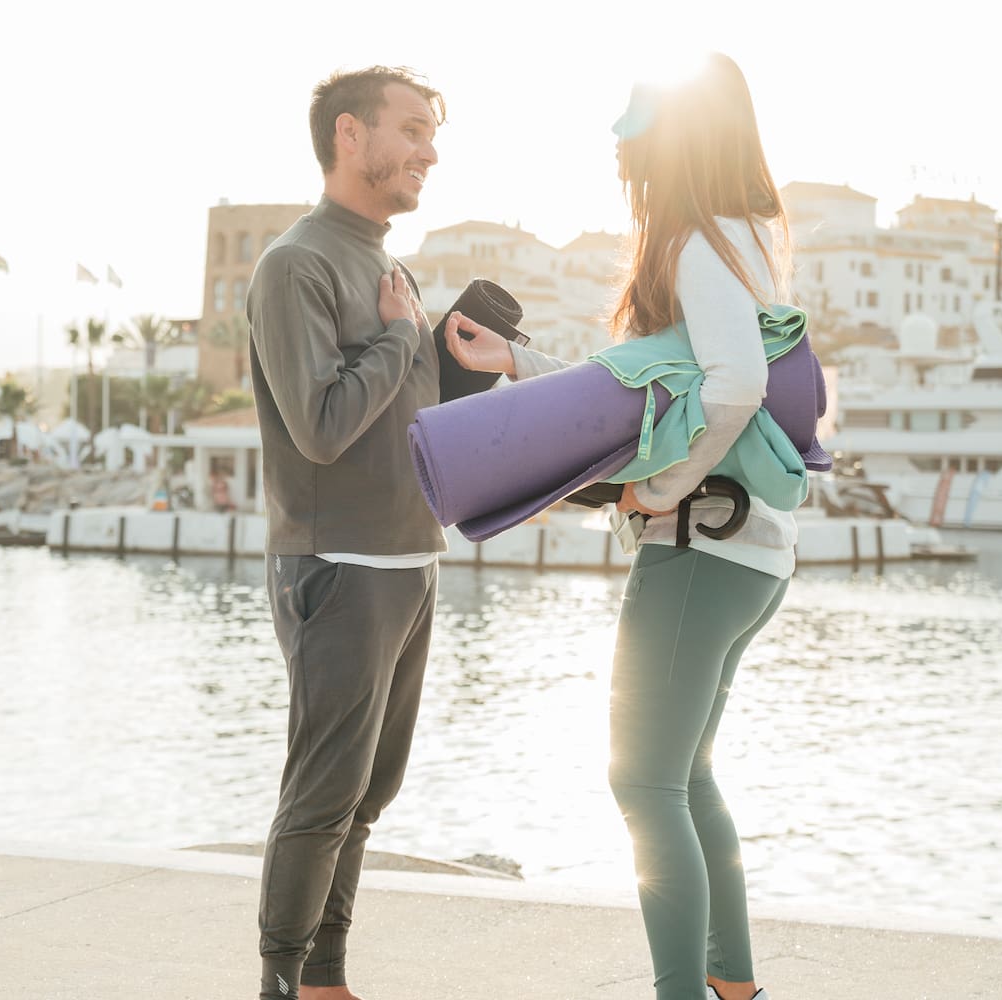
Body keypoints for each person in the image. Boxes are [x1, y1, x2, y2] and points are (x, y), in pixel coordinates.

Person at [443, 53, 793, 1000]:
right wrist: (518, 360)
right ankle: (732, 986)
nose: (619, 168)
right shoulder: (749, 240)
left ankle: (683, 995)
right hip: (749, 555)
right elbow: (631, 399)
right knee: (691, 777)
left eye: (628, 146)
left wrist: (662, 490)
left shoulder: (697, 241)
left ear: (662, 151)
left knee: (643, 785)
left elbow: (735, 387)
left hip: (696, 549)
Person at [244, 65, 446, 1000]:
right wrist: (403, 342)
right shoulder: (298, 263)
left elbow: (411, 414)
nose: (428, 151)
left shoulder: (391, 269)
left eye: (432, 133)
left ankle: (326, 981)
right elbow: (322, 427)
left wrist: (454, 359)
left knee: (369, 797)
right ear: (349, 137)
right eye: (411, 129)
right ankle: (279, 984)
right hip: (339, 563)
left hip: (409, 560)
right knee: (324, 795)